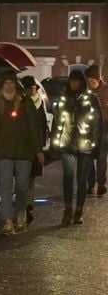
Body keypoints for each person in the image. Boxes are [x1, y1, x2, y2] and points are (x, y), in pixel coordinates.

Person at [0, 73, 44, 236]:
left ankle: (21, 213)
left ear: (16, 85)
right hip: (3, 151)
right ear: (2, 86)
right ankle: (7, 221)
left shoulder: (26, 102)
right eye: (6, 83)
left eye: (12, 83)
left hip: (24, 151)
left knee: (22, 186)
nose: (9, 86)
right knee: (5, 187)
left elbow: (35, 126)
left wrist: (38, 150)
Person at [50, 69, 102, 225]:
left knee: (81, 179)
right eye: (72, 80)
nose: (74, 83)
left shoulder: (91, 99)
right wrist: (55, 142)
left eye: (77, 80)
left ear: (82, 82)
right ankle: (67, 209)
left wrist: (97, 146)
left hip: (85, 145)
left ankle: (78, 210)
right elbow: (56, 121)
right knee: (68, 176)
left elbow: (98, 123)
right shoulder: (64, 99)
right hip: (67, 145)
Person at [20, 75, 49, 224]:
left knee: (31, 177)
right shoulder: (22, 104)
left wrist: (43, 143)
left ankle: (28, 204)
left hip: (36, 145)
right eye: (30, 87)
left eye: (33, 87)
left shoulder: (39, 102)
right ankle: (23, 205)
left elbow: (43, 123)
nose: (32, 90)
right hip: (24, 145)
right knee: (23, 177)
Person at [85, 65, 108, 195]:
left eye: (92, 79)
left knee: (101, 157)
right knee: (88, 157)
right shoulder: (86, 92)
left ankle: (101, 183)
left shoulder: (106, 91)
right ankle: (90, 183)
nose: (90, 82)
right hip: (88, 129)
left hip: (104, 128)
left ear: (98, 79)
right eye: (88, 80)